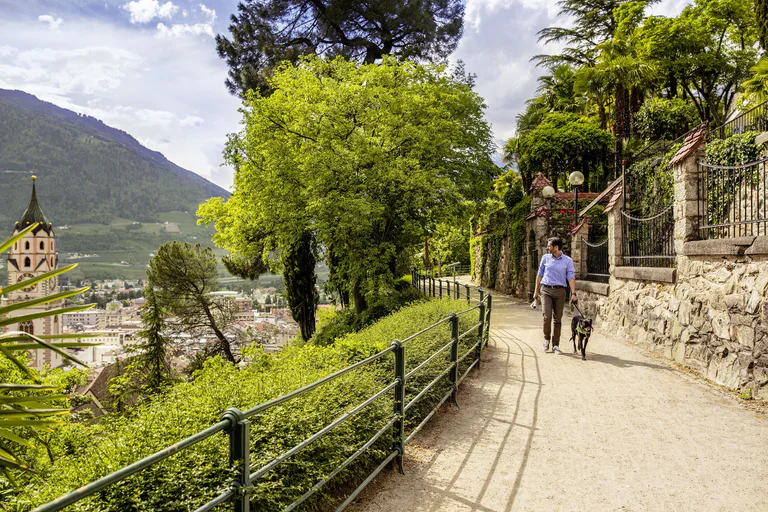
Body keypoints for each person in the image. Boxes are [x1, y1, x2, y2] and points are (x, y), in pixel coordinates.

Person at [533, 237, 577, 354]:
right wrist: (536, 291)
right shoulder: (545, 258)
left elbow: (571, 277)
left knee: (558, 319)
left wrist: (573, 293)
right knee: (547, 316)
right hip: (546, 290)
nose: (547, 248)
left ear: (556, 247)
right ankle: (546, 339)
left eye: (549, 246)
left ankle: (555, 345)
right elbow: (539, 275)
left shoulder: (567, 261)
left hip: (560, 291)